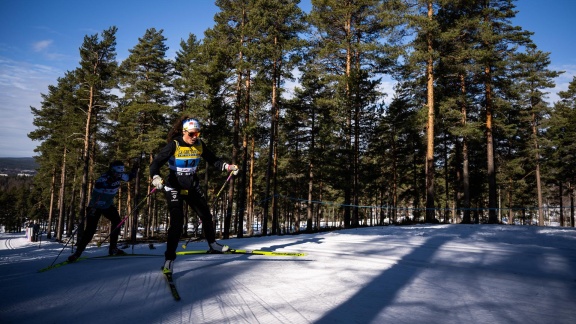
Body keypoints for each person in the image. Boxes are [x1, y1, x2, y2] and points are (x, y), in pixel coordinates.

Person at [149, 116, 239, 274]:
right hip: (174, 187)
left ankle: (213, 245)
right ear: (184, 132)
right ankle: (169, 259)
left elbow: (213, 160)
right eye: (191, 134)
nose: (194, 137)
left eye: (197, 133)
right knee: (177, 222)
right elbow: (156, 162)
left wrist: (228, 167)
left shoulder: (199, 145)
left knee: (206, 215)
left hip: (191, 186)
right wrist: (155, 177)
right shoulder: (175, 145)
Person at [68, 160, 137, 262]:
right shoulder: (104, 177)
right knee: (90, 230)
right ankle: (77, 253)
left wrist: (134, 170)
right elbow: (98, 184)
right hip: (95, 206)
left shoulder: (120, 176)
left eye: (121, 173)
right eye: (117, 172)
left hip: (107, 206)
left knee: (117, 222)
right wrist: (108, 182)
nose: (119, 175)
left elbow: (129, 177)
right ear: (112, 170)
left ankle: (113, 248)